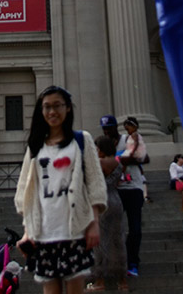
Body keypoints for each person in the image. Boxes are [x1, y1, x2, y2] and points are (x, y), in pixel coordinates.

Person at [15, 86, 106, 294]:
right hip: (43, 232)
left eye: (57, 106)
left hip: (74, 230)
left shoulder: (81, 141)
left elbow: (95, 185)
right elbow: (26, 193)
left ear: (68, 109)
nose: (52, 112)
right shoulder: (35, 146)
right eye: (46, 107)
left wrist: (94, 224)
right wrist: (28, 231)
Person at [100, 114, 144, 278]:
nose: (106, 132)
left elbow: (144, 157)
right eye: (104, 129)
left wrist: (121, 159)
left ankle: (133, 263)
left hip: (133, 188)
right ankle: (115, 263)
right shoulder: (103, 145)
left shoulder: (128, 139)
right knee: (111, 229)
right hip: (114, 190)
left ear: (115, 127)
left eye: (109, 128)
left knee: (135, 229)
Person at [87, 135, 128, 292]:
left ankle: (100, 281)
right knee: (118, 240)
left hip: (102, 202)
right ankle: (122, 281)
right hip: (116, 200)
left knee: (100, 243)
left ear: (102, 149)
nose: (95, 151)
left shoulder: (100, 162)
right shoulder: (118, 162)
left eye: (97, 148)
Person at [118, 117, 146, 182]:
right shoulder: (134, 135)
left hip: (134, 151)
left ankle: (122, 174)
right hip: (137, 151)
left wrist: (133, 151)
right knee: (138, 165)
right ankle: (142, 175)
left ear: (134, 127)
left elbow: (136, 143)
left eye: (128, 129)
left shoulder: (134, 134)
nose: (128, 131)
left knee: (124, 161)